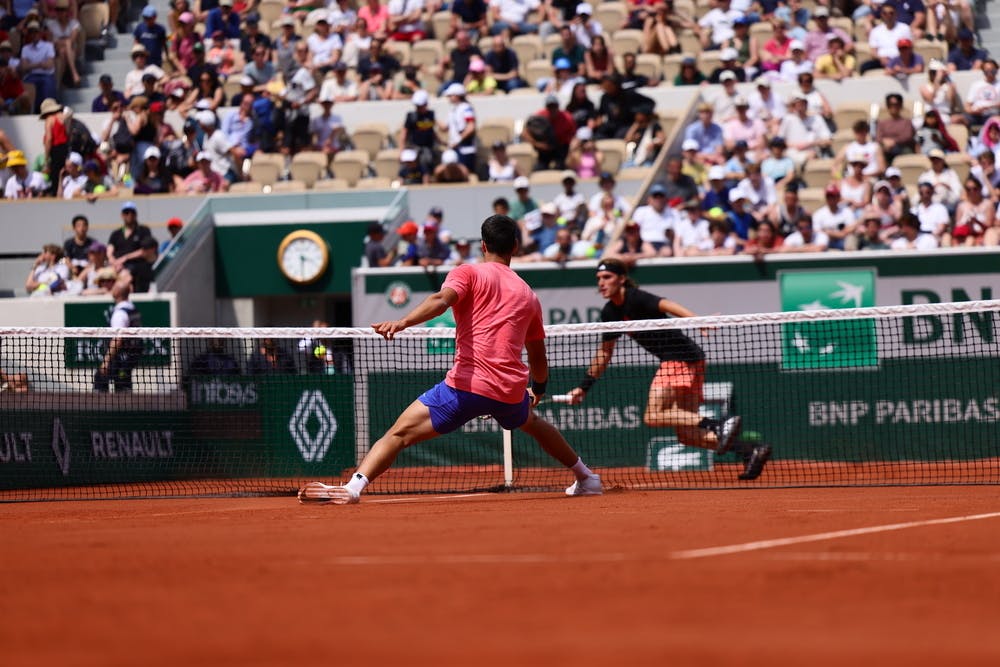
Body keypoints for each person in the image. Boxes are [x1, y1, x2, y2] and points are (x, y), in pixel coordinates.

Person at [298, 215, 603, 504]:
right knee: (532, 423)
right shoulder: (529, 296)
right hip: (510, 392)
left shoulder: (467, 272)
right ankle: (586, 477)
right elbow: (538, 355)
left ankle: (354, 487)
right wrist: (539, 388)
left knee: (398, 434)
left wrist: (402, 322)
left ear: (482, 246)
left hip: (466, 387)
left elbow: (441, 300)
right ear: (515, 247)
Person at [564, 258, 770, 481]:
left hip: (678, 357)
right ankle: (749, 450)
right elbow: (604, 354)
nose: (601, 283)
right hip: (693, 360)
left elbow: (666, 304)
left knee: (653, 415)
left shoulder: (636, 297)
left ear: (622, 279)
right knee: (688, 436)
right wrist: (583, 388)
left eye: (607, 277)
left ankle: (717, 424)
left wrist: (696, 320)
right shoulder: (610, 313)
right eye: (598, 279)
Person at [94, 282, 144, 393]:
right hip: (130, 355)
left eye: (114, 287)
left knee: (101, 377)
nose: (112, 288)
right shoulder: (132, 308)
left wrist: (106, 360)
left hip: (121, 357)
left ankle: (102, 408)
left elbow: (118, 339)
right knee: (123, 380)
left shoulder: (120, 314)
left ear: (117, 292)